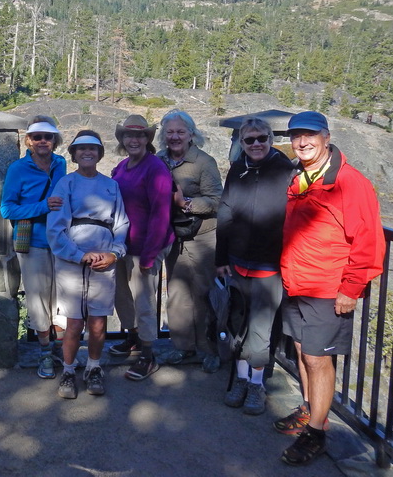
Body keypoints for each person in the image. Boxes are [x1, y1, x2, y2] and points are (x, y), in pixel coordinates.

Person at [275, 111, 383, 465]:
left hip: (327, 287)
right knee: (303, 352)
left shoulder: (350, 182)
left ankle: (317, 433)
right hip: (297, 283)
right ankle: (309, 412)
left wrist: (351, 289)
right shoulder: (301, 176)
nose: (302, 142)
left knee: (318, 359)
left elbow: (368, 240)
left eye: (309, 136)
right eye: (296, 136)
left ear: (326, 137)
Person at [215, 116, 294, 415]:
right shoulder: (238, 169)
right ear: (242, 143)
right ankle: (242, 379)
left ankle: (256, 385)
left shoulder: (286, 171)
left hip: (269, 267)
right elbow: (225, 214)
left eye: (262, 138)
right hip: (237, 264)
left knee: (260, 330)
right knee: (236, 323)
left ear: (271, 140)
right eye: (250, 140)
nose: (256, 144)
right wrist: (221, 259)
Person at [47, 130, 129, 399]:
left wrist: (114, 253)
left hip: (104, 259)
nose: (87, 152)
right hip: (72, 259)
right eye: (81, 148)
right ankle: (69, 371)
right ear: (73, 154)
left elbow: (121, 224)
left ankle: (94, 368)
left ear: (99, 154)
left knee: (97, 321)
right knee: (73, 322)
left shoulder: (111, 185)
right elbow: (56, 228)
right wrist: (77, 254)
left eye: (92, 149)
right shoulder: (65, 184)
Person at [156, 109, 223, 373]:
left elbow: (217, 200)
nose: (175, 137)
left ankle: (210, 350)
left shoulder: (203, 162)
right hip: (174, 237)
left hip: (203, 236)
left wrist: (187, 204)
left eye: (180, 132)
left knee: (205, 293)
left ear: (191, 135)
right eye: (170, 132)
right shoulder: (159, 160)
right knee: (178, 294)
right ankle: (183, 347)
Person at [1, 116, 67, 379]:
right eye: (37, 136)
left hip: (61, 242)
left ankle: (60, 348)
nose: (42, 141)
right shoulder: (18, 169)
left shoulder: (60, 163)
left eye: (48, 137)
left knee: (62, 300)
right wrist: (43, 206)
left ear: (54, 141)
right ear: (28, 140)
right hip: (33, 244)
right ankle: (44, 352)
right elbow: (7, 208)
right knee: (38, 301)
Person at [110, 115, 175, 381]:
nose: (133, 140)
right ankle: (133, 337)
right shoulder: (121, 167)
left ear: (148, 139)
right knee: (122, 296)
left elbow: (161, 214)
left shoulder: (155, 168)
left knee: (144, 300)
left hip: (147, 246)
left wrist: (149, 255)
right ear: (122, 140)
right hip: (122, 246)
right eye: (128, 135)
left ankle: (148, 355)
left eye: (139, 135)